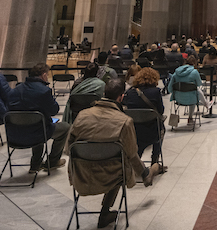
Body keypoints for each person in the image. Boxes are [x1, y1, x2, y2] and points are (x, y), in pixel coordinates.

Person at [67, 78, 162, 228]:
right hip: (110, 176)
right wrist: (144, 174)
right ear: (121, 97)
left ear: (104, 93)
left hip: (82, 176)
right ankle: (105, 212)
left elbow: (68, 148)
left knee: (111, 161)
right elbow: (132, 155)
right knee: (117, 164)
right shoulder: (124, 121)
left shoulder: (82, 115)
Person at [8, 63, 71, 173]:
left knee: (36, 123)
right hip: (37, 133)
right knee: (65, 127)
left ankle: (35, 164)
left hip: (14, 134)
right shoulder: (44, 91)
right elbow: (54, 110)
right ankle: (52, 161)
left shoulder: (16, 89)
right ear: (44, 75)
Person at [122, 67, 166, 167]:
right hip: (152, 131)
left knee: (140, 138)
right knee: (161, 129)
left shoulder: (129, 93)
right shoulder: (156, 92)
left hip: (133, 131)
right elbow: (161, 111)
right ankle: (154, 160)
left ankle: (137, 160)